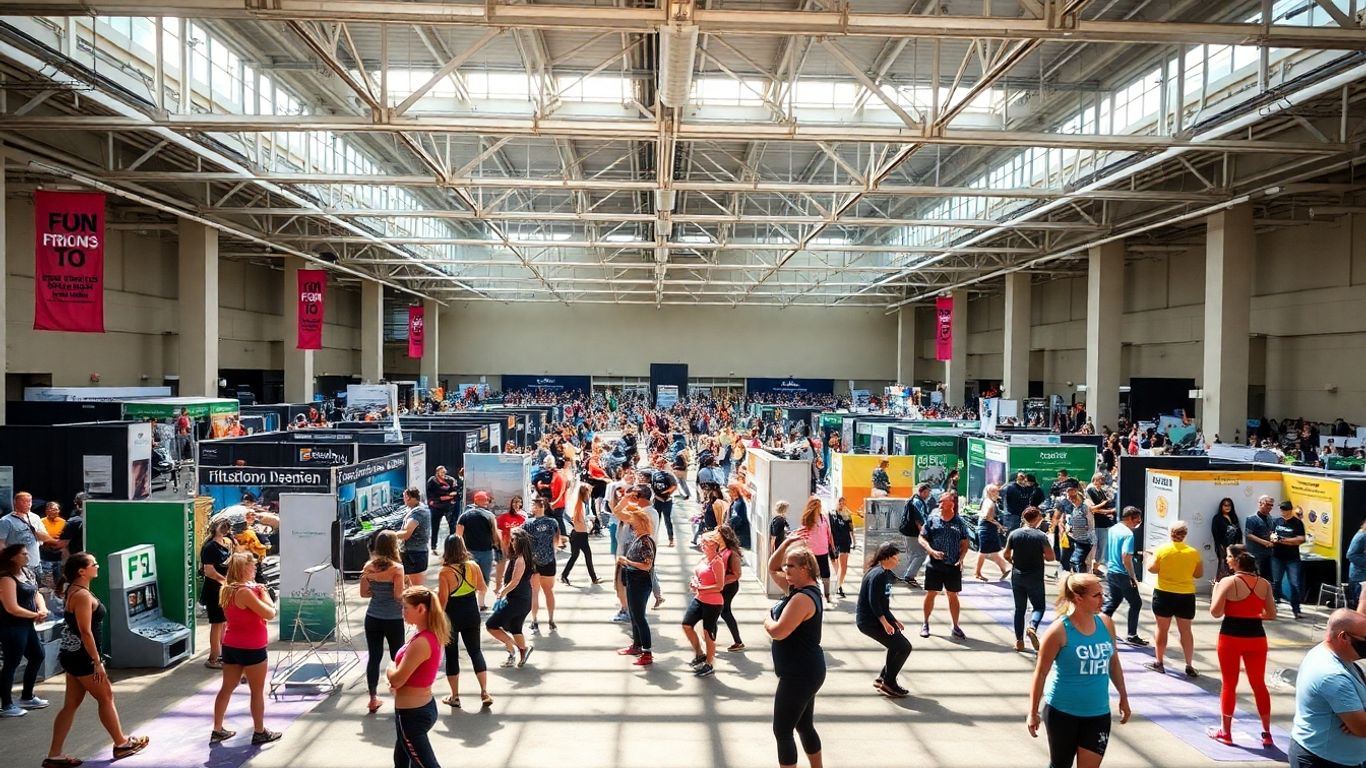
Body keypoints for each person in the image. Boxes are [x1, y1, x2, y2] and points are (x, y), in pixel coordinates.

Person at [46, 553, 148, 766]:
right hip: (82, 657)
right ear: (82, 571)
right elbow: (85, 631)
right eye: (94, 564)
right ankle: (121, 743)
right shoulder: (81, 596)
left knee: (71, 705)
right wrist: (97, 661)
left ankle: (54, 755)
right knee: (106, 696)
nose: (97, 566)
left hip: (72, 654)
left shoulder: (74, 590)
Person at [1026, 573, 1131, 768]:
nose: (1103, 599)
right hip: (1062, 713)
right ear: (1078, 598)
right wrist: (1033, 712)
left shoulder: (1106, 623)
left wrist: (1123, 696)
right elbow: (1040, 672)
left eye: (1103, 594)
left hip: (1098, 713)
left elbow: (1113, 663)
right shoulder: (1058, 631)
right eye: (1096, 595)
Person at [765, 535, 825, 768]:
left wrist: (766, 621)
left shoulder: (801, 598)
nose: (785, 568)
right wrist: (786, 543)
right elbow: (772, 567)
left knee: (782, 730)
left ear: (806, 568)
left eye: (791, 565)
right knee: (804, 725)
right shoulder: (801, 589)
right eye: (786, 565)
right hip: (805, 671)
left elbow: (778, 632)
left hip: (799, 674)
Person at [1208, 544, 1276, 748]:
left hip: (1231, 637)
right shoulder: (1264, 584)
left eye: (1229, 558)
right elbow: (1271, 614)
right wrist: (1254, 615)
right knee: (1259, 685)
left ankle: (1226, 732)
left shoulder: (1228, 582)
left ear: (1237, 562)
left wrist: (1215, 590)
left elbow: (1215, 612)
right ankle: (1266, 733)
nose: (1227, 560)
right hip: (1256, 637)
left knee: (1229, 684)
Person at [211, 552, 282, 745]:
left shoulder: (227, 589)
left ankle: (217, 728)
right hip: (252, 647)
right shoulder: (245, 592)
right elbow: (269, 613)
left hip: (231, 645)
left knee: (227, 687)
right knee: (257, 691)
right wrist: (265, 593)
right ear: (243, 569)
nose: (256, 569)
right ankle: (259, 731)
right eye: (252, 566)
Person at [1289, 609, 1366, 768]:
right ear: (1344, 636)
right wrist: (1359, 718)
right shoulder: (1332, 675)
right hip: (1324, 761)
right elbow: (1362, 728)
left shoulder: (1334, 654)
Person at [388, 586, 453, 768]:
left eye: (405, 608)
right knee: (402, 761)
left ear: (421, 609)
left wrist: (389, 668)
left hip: (412, 715)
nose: (402, 612)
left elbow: (397, 679)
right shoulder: (425, 635)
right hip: (416, 710)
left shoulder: (422, 641)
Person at [437, 534, 491, 710]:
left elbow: (443, 600)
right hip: (471, 614)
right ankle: (484, 692)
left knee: (451, 656)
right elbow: (483, 588)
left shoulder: (445, 572)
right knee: (475, 651)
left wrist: (436, 618)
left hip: (452, 617)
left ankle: (455, 696)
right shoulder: (473, 566)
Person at [1144, 521, 1204, 677]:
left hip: (1164, 593)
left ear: (1170, 533)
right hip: (1186, 595)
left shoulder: (1162, 550)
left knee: (1161, 629)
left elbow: (1152, 569)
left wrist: (1150, 557)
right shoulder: (1193, 553)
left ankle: (1159, 662)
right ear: (1185, 534)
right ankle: (1189, 664)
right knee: (1185, 631)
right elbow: (1198, 574)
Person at [857, 542, 912, 697]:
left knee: (897, 646)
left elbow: (883, 603)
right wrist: (884, 623)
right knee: (904, 647)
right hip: (870, 622)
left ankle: (883, 678)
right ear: (887, 557)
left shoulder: (885, 573)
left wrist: (894, 621)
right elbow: (873, 601)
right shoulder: (878, 574)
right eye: (895, 558)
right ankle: (889, 683)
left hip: (874, 619)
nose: (898, 561)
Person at [360, 530, 406, 714]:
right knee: (398, 658)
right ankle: (400, 696)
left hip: (373, 617)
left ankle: (372, 698)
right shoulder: (397, 568)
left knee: (374, 657)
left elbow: (364, 593)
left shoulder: (368, 567)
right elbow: (397, 596)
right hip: (393, 619)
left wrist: (377, 591)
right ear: (395, 546)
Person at [0, 544, 49, 717]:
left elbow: (37, 593)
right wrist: (34, 615)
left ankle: (27, 696)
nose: (27, 556)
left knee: (37, 655)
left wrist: (42, 609)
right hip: (11, 627)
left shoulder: (27, 572)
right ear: (13, 557)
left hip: (27, 625)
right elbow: (11, 607)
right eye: (23, 554)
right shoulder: (6, 578)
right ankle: (6, 704)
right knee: (11, 663)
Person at [918, 492, 971, 639]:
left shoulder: (959, 522)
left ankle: (955, 625)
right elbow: (921, 537)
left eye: (942, 501)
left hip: (953, 565)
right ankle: (925, 623)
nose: (939, 504)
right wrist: (931, 550)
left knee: (952, 595)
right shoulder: (932, 519)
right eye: (940, 502)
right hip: (934, 565)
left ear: (951, 504)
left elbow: (965, 542)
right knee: (931, 593)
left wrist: (961, 558)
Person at [1003, 507, 1055, 652]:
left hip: (1018, 576)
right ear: (1037, 518)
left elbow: (1006, 555)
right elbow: (1051, 557)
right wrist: (1040, 555)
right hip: (1035, 576)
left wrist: (1014, 562)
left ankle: (1019, 641)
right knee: (1038, 607)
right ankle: (1032, 626)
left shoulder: (1014, 534)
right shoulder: (1041, 536)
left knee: (1020, 609)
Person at [486, 527, 534, 669]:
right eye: (511, 539)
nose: (511, 542)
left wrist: (502, 592)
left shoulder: (520, 559)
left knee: (491, 625)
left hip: (517, 600)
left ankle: (518, 648)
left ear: (520, 542)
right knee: (515, 627)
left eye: (513, 540)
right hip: (522, 600)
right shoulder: (518, 557)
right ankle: (519, 652)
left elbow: (515, 581)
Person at [616, 503, 657, 666]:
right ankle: (637, 645)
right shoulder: (638, 539)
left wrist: (627, 562)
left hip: (640, 582)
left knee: (639, 617)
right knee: (634, 615)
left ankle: (647, 652)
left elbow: (648, 565)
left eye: (633, 523)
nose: (631, 525)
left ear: (640, 523)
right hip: (634, 581)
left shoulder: (645, 541)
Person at [1101, 507, 1149, 647]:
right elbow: (1126, 558)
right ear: (1129, 518)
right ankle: (1132, 635)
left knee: (1113, 601)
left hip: (1111, 571)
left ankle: (1099, 626)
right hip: (1122, 574)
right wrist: (1132, 576)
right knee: (1136, 603)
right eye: (1137, 520)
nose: (1138, 523)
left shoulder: (1113, 529)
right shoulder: (1128, 535)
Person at [682, 531, 726, 678]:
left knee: (708, 633)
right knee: (687, 625)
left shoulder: (717, 562)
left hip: (712, 603)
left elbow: (719, 586)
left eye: (705, 543)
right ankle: (700, 653)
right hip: (700, 599)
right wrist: (695, 581)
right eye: (702, 543)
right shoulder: (704, 559)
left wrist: (700, 588)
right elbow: (697, 574)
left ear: (715, 544)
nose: (702, 545)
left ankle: (709, 663)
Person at [200, 518, 234, 670]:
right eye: (223, 526)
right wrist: (224, 581)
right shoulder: (210, 547)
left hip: (224, 589)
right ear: (215, 528)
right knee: (217, 623)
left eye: (227, 526)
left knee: (224, 622)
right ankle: (213, 658)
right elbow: (209, 571)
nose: (226, 529)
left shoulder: (227, 543)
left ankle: (222, 654)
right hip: (214, 590)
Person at [524, 498, 561, 634]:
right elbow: (557, 540)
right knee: (549, 591)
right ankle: (551, 620)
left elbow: (523, 543)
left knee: (535, 592)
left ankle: (534, 621)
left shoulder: (528, 523)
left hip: (533, 562)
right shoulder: (552, 522)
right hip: (549, 560)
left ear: (535, 507)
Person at [455, 491, 497, 609]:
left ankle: (474, 603)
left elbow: (458, 535)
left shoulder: (464, 516)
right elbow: (494, 533)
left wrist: (460, 550)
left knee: (469, 577)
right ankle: (481, 603)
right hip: (484, 552)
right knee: (484, 578)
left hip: (470, 552)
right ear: (477, 500)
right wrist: (497, 546)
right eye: (484, 500)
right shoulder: (489, 515)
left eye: (487, 500)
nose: (487, 502)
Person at [794, 497, 837, 607]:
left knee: (825, 573)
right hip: (811, 551)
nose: (819, 507)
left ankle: (827, 594)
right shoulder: (807, 519)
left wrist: (832, 546)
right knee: (812, 574)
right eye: (817, 505)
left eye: (820, 505)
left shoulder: (824, 518)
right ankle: (814, 593)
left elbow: (829, 533)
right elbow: (802, 533)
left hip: (823, 550)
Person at [1271, 500, 1308, 620]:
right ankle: (1273, 607)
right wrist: (1273, 537)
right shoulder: (1276, 521)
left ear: (1290, 510)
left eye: (1286, 510)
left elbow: (1301, 539)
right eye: (1282, 510)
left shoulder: (1297, 523)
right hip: (1277, 556)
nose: (1283, 512)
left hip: (1292, 558)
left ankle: (1296, 609)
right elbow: (1271, 534)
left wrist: (1284, 540)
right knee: (1276, 582)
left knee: (1295, 584)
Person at [561, 482, 600, 585]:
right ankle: (594, 578)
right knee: (587, 555)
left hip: (577, 534)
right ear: (584, 494)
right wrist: (589, 522)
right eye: (588, 493)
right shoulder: (580, 505)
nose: (589, 495)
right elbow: (579, 520)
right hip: (580, 535)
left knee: (575, 556)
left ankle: (564, 575)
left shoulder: (579, 504)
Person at [716, 524, 745, 652]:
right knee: (721, 612)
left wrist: (721, 581)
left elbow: (737, 574)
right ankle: (736, 641)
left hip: (729, 587)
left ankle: (737, 642)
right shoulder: (723, 550)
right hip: (724, 585)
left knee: (722, 612)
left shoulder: (732, 553)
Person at [395, 487, 432, 587]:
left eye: (404, 497)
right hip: (410, 553)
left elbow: (407, 533)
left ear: (408, 497)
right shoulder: (415, 509)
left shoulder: (419, 512)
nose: (404, 500)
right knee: (407, 585)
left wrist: (391, 535)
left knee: (416, 589)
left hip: (415, 554)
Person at [973, 484, 1010, 581]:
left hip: (988, 529)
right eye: (995, 491)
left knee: (994, 551)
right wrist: (999, 525)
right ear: (990, 492)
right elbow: (987, 516)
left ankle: (1004, 570)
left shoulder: (989, 501)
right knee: (983, 551)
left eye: (997, 491)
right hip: (986, 529)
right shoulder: (990, 503)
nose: (998, 493)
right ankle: (977, 573)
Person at [900, 483, 933, 588]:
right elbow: (918, 520)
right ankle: (909, 576)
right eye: (928, 492)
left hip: (908, 532)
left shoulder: (915, 500)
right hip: (913, 533)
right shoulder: (917, 502)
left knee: (913, 554)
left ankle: (908, 576)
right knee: (920, 555)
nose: (929, 495)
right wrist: (923, 534)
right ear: (923, 492)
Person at [1058, 485, 1096, 574]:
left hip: (1085, 540)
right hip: (1074, 538)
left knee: (1082, 563)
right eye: (1069, 497)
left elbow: (1091, 525)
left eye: (1073, 497)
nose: (1071, 499)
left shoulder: (1084, 508)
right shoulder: (1075, 508)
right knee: (1073, 561)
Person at [494, 495, 527, 594]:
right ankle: (498, 586)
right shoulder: (504, 517)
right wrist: (498, 541)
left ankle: (511, 585)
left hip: (518, 546)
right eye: (514, 502)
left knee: (515, 566)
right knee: (501, 565)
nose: (516, 504)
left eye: (518, 502)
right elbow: (495, 529)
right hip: (505, 544)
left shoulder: (523, 517)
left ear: (521, 503)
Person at [1244, 495, 1276, 590]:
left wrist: (1272, 536)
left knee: (1267, 580)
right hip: (1256, 555)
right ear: (1260, 504)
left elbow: (1270, 531)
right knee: (1256, 579)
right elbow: (1248, 534)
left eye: (1271, 505)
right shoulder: (1251, 519)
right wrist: (1264, 542)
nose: (1270, 507)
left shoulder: (1270, 518)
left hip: (1268, 554)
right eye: (1267, 504)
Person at [1084, 474, 1115, 569]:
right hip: (1097, 522)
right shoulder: (1091, 490)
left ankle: (1096, 567)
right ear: (1096, 479)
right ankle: (1093, 567)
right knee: (1097, 545)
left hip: (1103, 521)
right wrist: (1108, 511)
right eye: (1101, 479)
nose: (1103, 481)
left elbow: (1105, 502)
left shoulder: (1100, 490)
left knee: (1101, 546)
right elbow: (1093, 509)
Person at [648, 454, 679, 547]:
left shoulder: (669, 475)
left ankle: (671, 539)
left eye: (660, 463)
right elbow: (651, 485)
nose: (659, 465)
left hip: (667, 500)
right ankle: (653, 539)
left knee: (667, 520)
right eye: (657, 463)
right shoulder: (654, 474)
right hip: (657, 500)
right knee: (656, 520)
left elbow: (674, 486)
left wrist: (666, 492)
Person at [426, 465, 458, 553]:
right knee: (435, 527)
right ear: (437, 472)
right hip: (436, 507)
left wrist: (451, 499)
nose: (443, 473)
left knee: (452, 526)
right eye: (441, 472)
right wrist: (443, 498)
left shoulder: (451, 480)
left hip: (448, 507)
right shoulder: (432, 480)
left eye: (444, 471)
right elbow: (430, 494)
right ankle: (433, 546)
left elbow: (455, 492)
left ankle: (453, 546)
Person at [1211, 497, 1244, 580]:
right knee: (1223, 568)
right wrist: (1221, 547)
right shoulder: (1217, 518)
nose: (1227, 507)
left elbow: (1239, 532)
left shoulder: (1234, 517)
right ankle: (1219, 588)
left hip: (1235, 548)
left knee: (1234, 568)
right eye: (1225, 505)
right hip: (1223, 547)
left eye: (1229, 505)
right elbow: (1215, 534)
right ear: (1221, 506)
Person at [829, 498, 855, 599]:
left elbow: (851, 529)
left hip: (845, 542)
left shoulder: (847, 515)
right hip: (834, 542)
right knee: (836, 566)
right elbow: (830, 530)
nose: (841, 504)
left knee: (843, 567)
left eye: (843, 503)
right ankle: (837, 586)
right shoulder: (831, 514)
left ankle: (839, 586)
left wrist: (854, 542)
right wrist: (831, 543)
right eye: (840, 502)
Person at [1346, 519, 1366, 610]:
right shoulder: (1362, 536)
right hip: (1360, 577)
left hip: (1360, 576)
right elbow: (1351, 555)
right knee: (1360, 606)